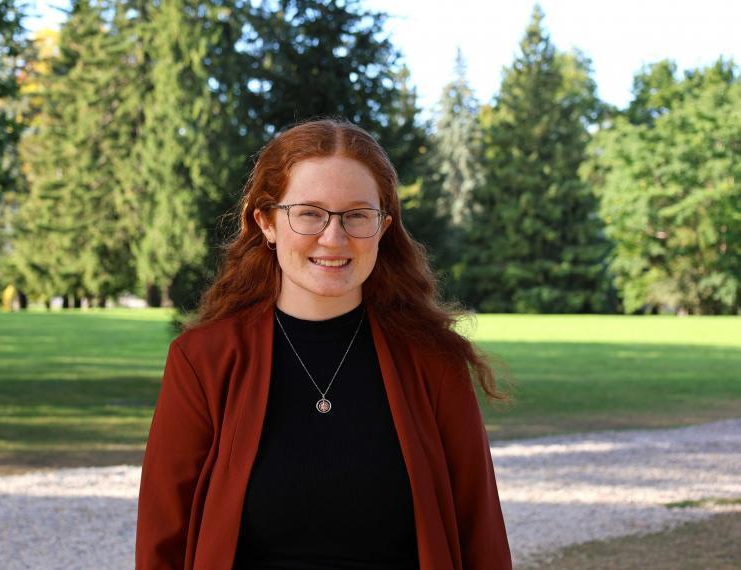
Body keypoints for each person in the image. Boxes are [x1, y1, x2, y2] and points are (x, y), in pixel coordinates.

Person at [136, 118, 511, 569]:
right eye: (309, 213)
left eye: (357, 215)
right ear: (267, 223)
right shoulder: (203, 361)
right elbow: (163, 540)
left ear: (383, 226)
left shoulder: (434, 361)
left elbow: (481, 535)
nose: (334, 238)